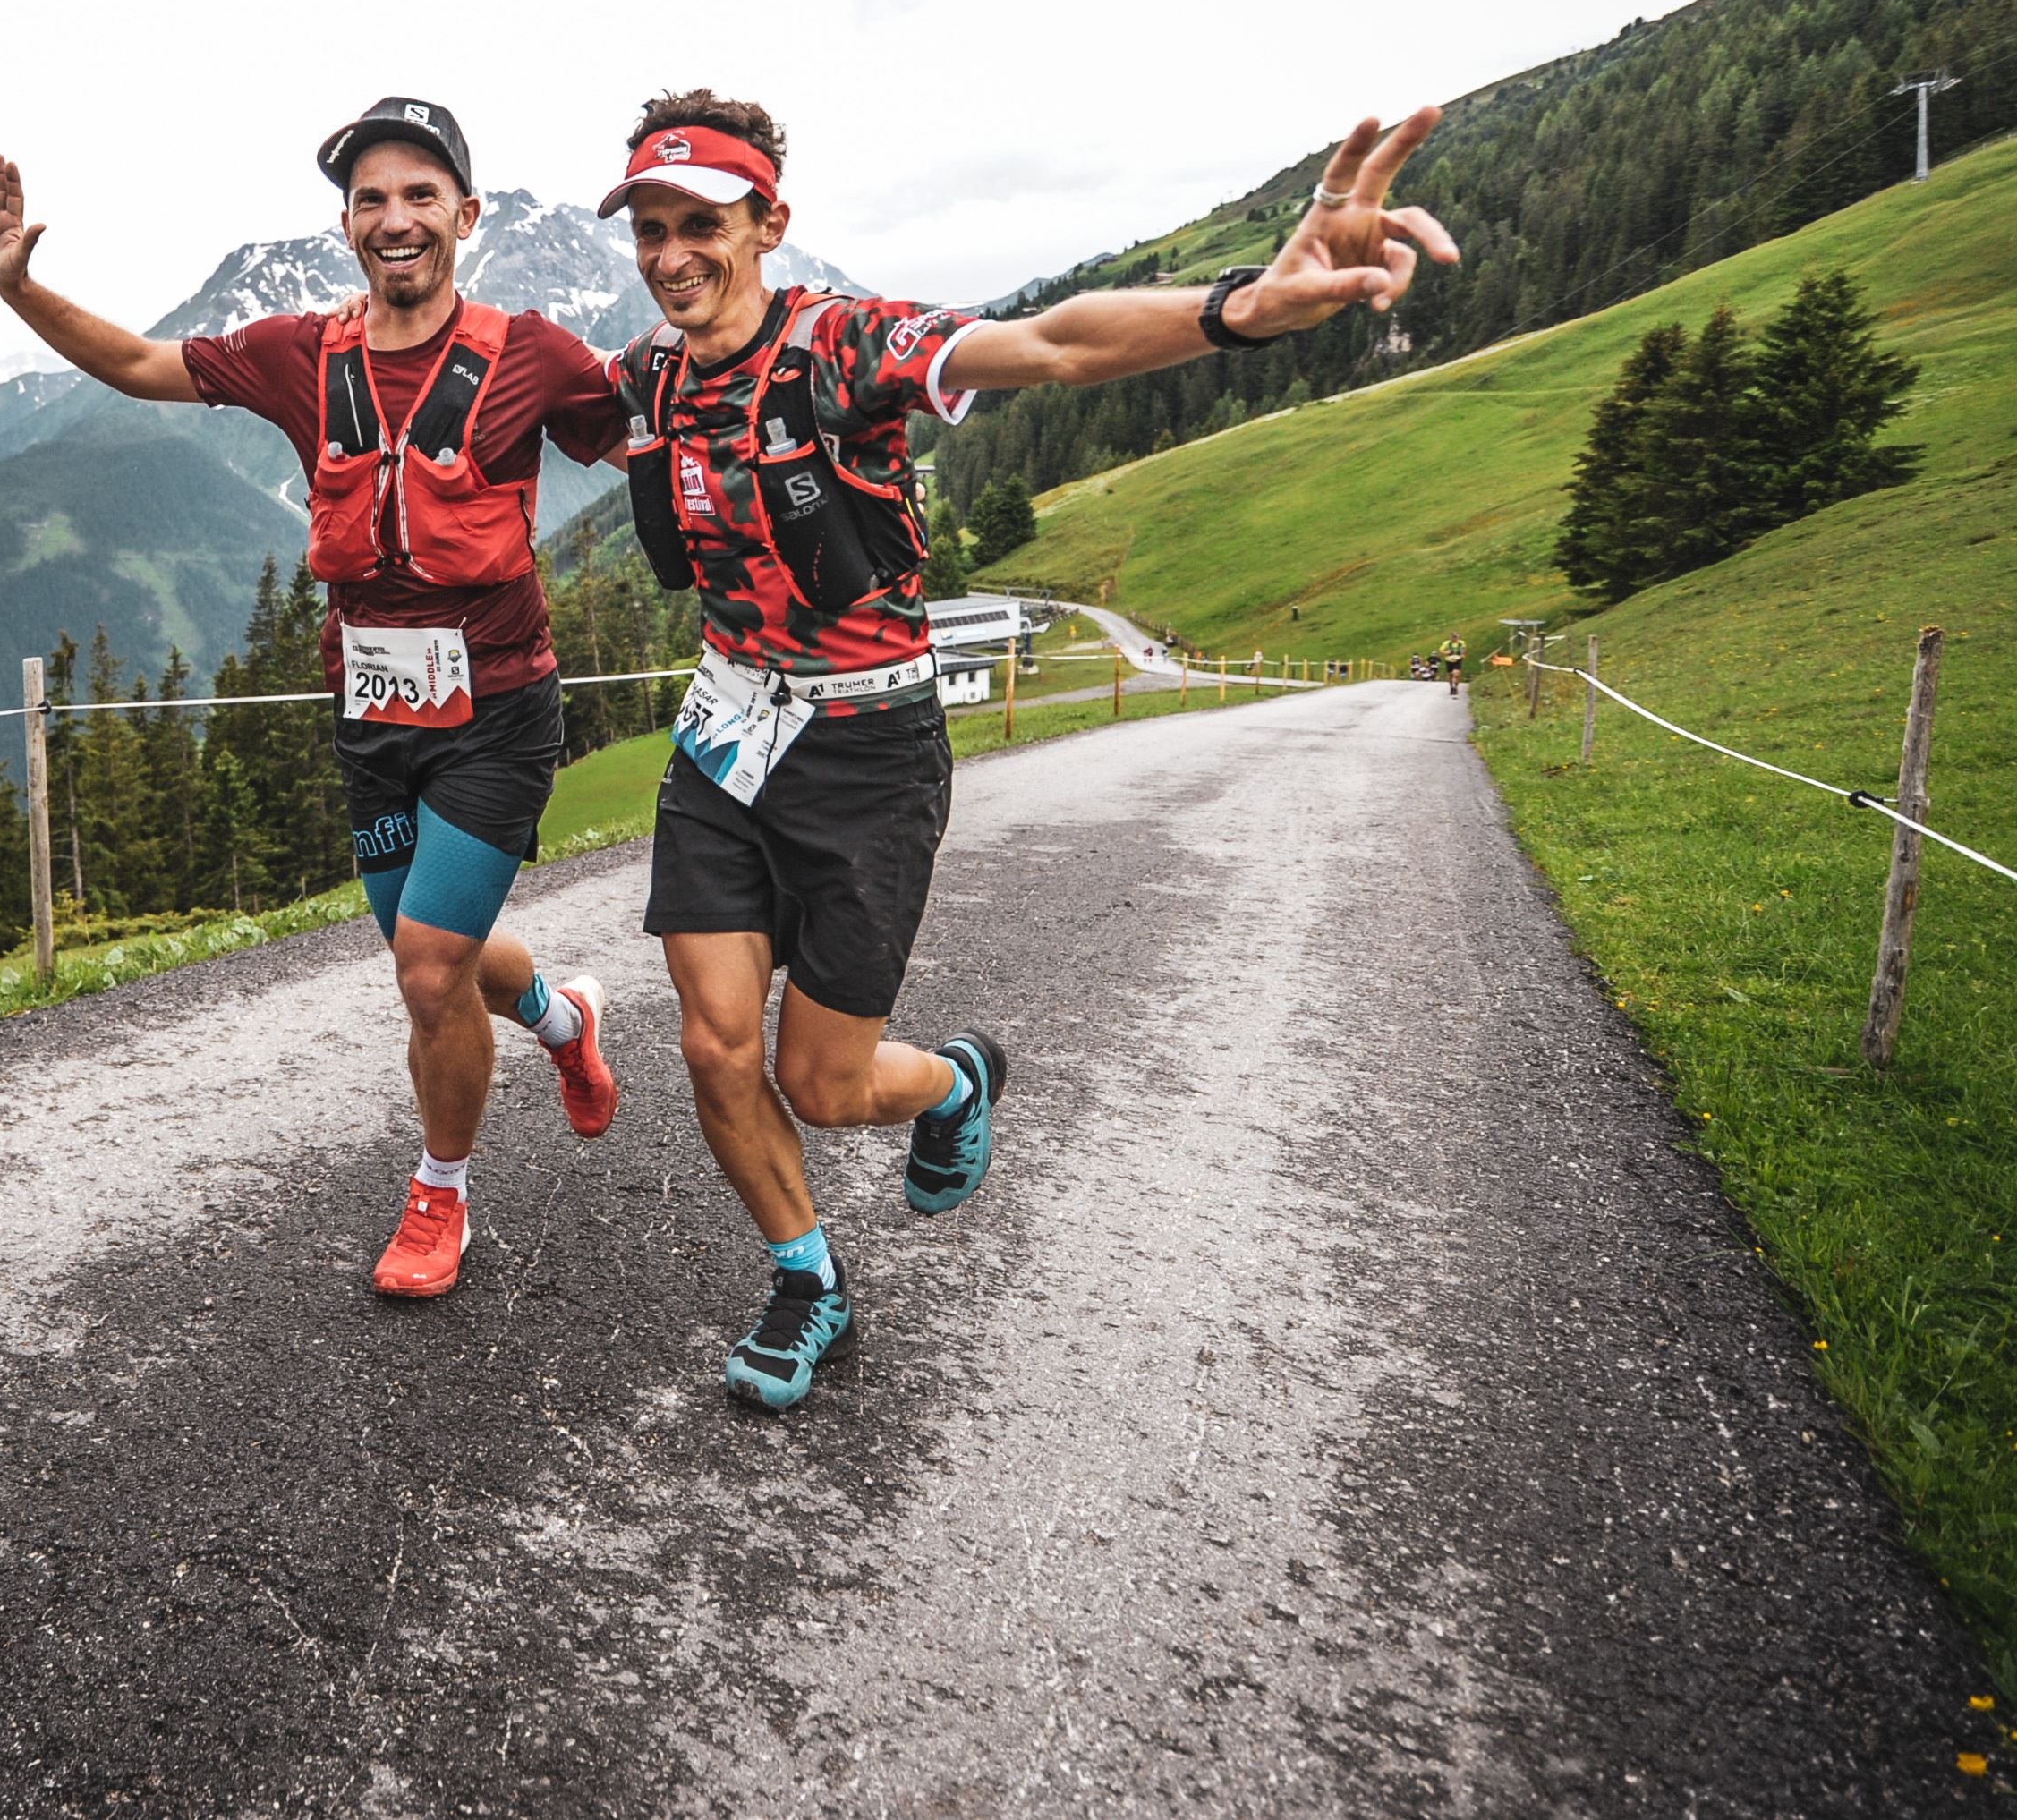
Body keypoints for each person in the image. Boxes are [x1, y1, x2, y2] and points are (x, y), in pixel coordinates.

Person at [603, 89, 1456, 1410]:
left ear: (769, 221)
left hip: (866, 749)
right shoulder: (654, 372)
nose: (670, 255)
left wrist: (1242, 305)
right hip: (724, 738)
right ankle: (808, 1278)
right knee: (716, 1049)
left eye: (699, 223)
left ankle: (951, 1081)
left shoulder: (852, 344)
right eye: (649, 228)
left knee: (822, 1084)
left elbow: (1053, 343)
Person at [0, 100, 631, 1297]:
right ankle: (564, 1019)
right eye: (372, 198)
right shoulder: (299, 354)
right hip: (374, 718)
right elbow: (136, 365)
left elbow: (648, 437)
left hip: (498, 710)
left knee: (428, 969)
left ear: (466, 217)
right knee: (446, 947)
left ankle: (443, 1192)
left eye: (421, 195)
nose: (396, 218)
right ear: (346, 224)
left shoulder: (532, 354)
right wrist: (19, 288)